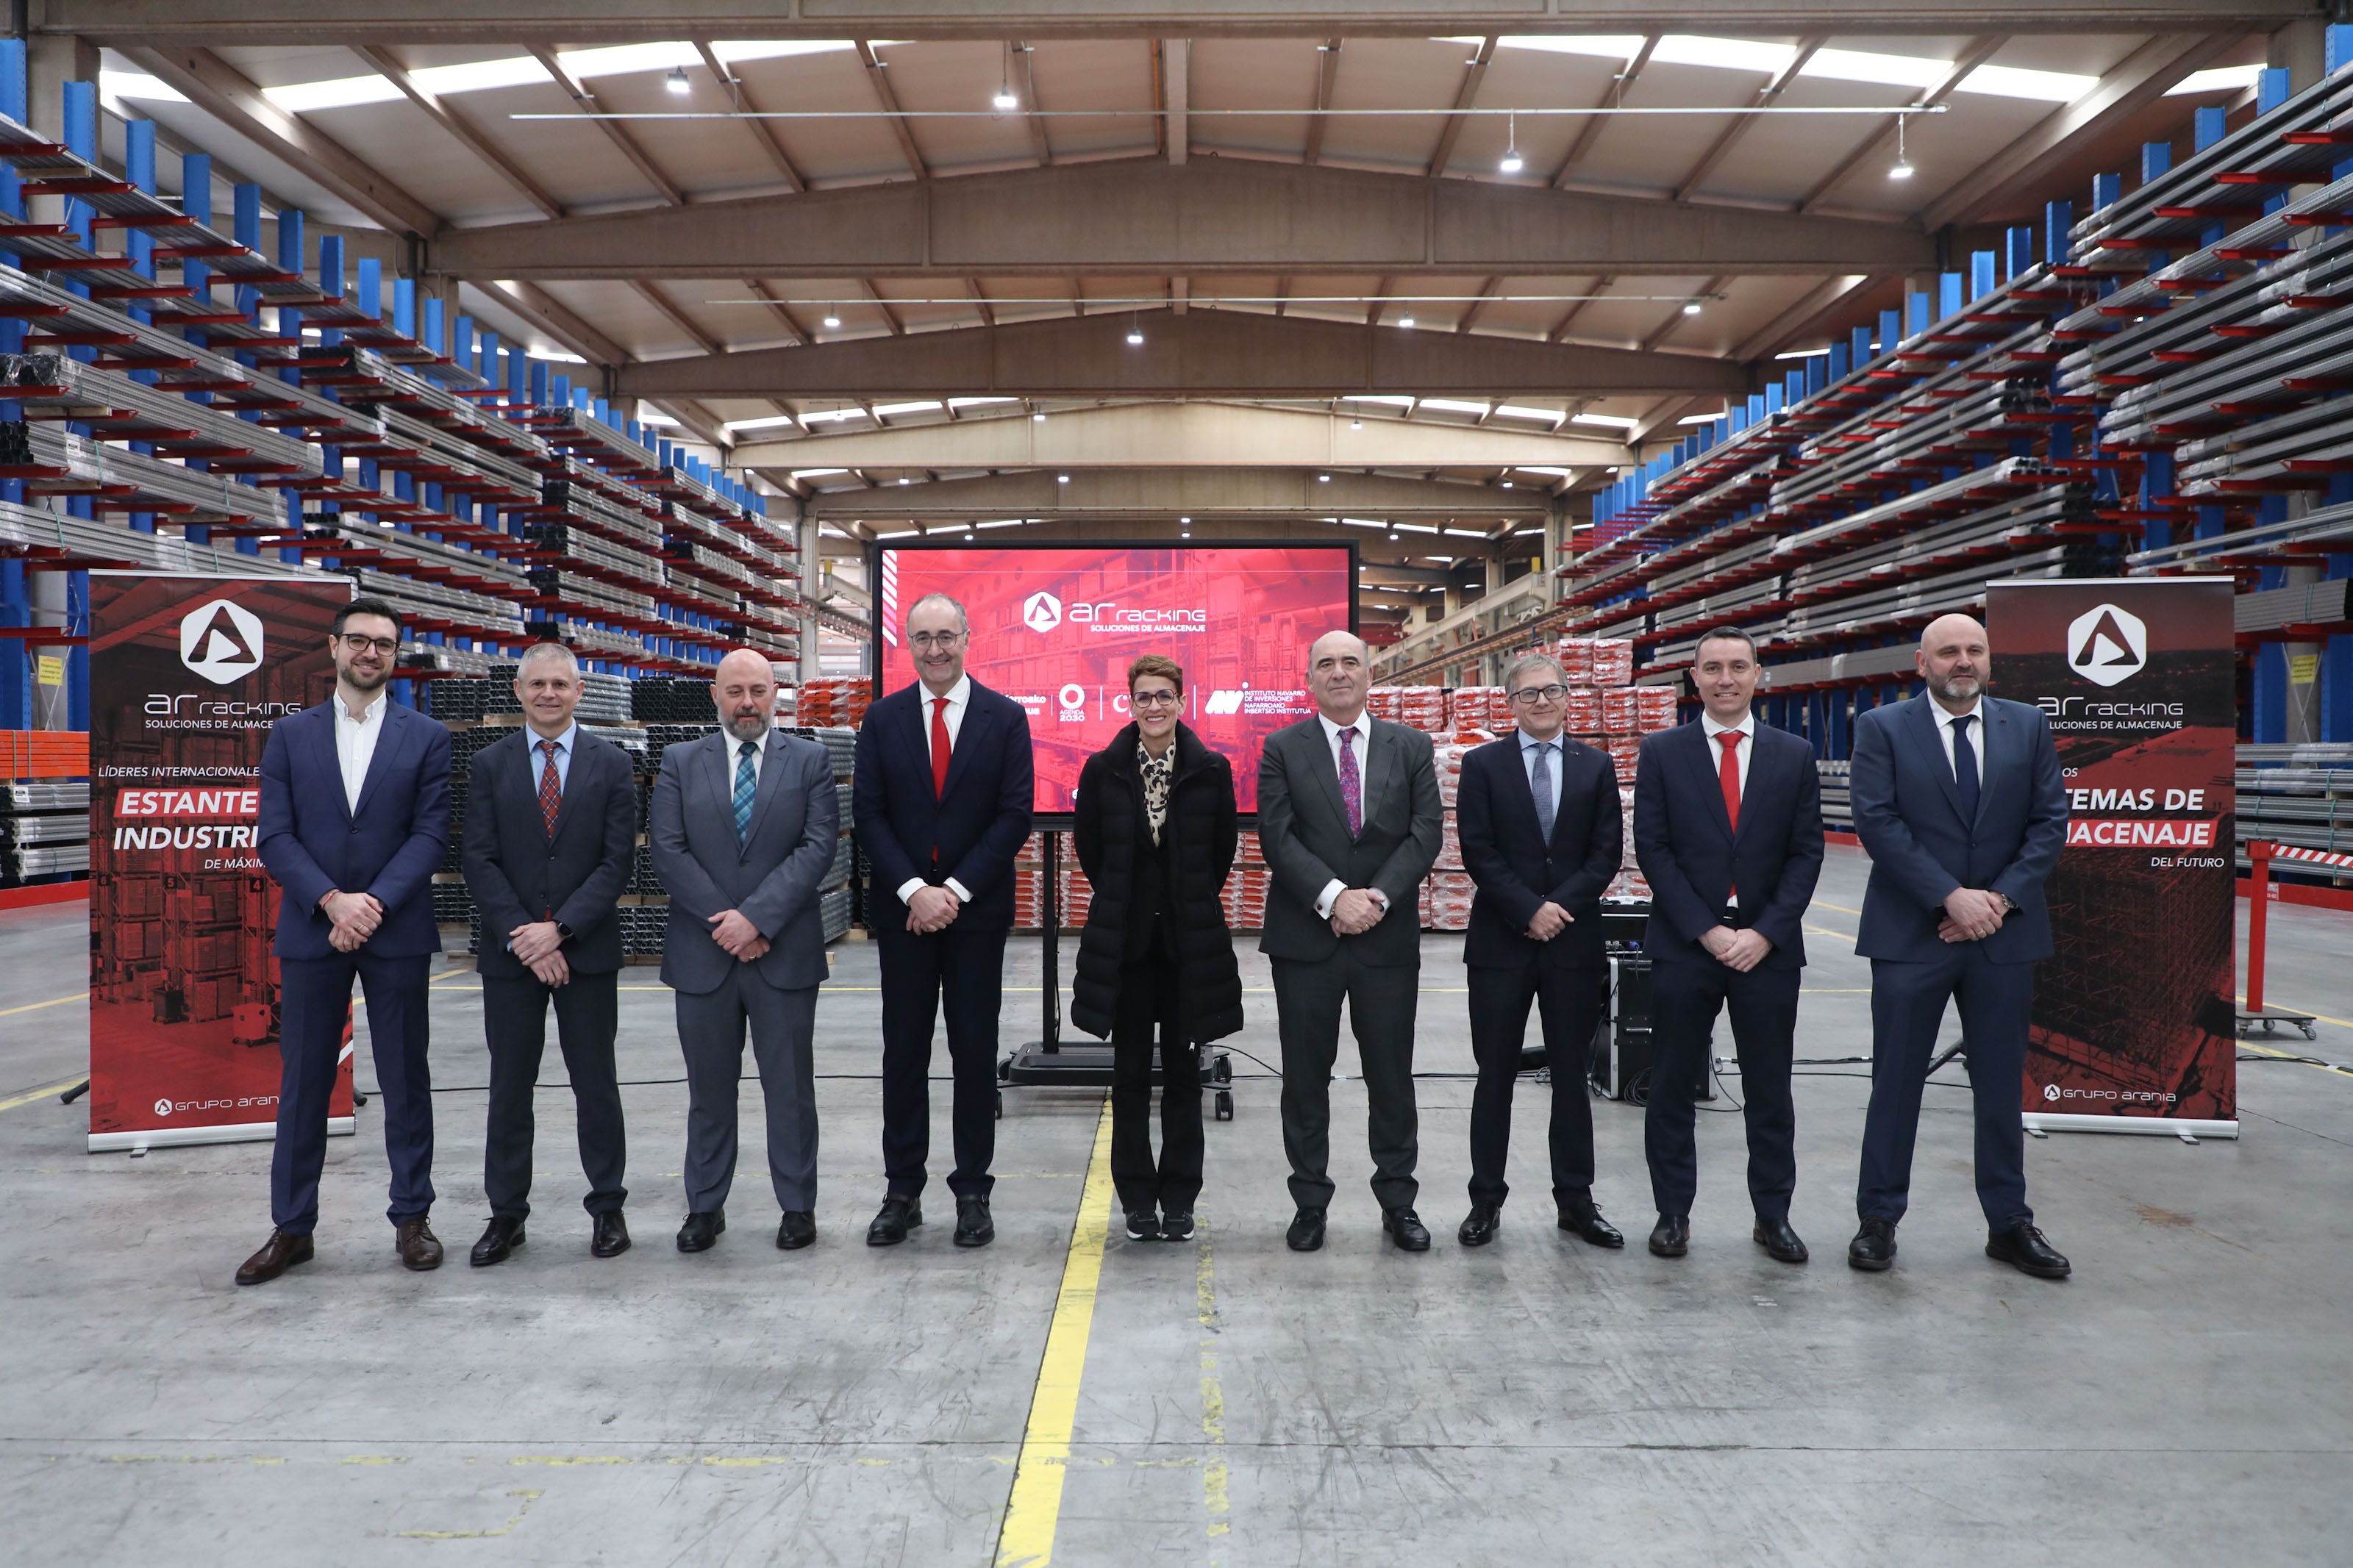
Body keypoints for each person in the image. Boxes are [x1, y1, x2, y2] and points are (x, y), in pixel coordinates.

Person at [1847, 612, 2071, 1280]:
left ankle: (2009, 1222)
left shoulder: (2026, 726)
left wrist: (1996, 901)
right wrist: (1950, 896)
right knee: (1896, 1081)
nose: (1963, 661)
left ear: (1989, 660)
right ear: (1923, 662)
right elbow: (1876, 820)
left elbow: (2049, 819)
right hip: (1913, 932)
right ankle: (1878, 1218)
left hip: (2004, 934)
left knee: (2000, 1084)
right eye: (1949, 651)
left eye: (1975, 649)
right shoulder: (1882, 728)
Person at [238, 597, 451, 1285]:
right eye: (358, 640)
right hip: (313, 926)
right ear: (333, 648)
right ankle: (292, 1227)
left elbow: (430, 834)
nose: (370, 653)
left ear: (396, 655)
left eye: (384, 644)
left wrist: (374, 903)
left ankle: (412, 1217)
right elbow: (274, 835)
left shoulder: (426, 736)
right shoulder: (290, 737)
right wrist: (332, 900)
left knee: (403, 1074)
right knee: (303, 1081)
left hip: (395, 930)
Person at [1632, 629, 1824, 1264]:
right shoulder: (1662, 752)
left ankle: (1773, 1215)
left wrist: (1765, 932)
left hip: (1767, 949)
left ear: (1757, 675)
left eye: (1737, 667)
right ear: (1694, 678)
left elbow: (1805, 853)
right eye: (1712, 668)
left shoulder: (1793, 754)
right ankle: (1672, 1213)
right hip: (1688, 945)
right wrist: (1707, 929)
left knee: (1770, 1088)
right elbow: (1653, 850)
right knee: (1671, 1084)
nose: (1725, 678)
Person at [851, 592, 1035, 1249]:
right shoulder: (882, 719)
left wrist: (951, 889)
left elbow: (1014, 814)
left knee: (973, 1054)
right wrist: (912, 891)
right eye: (923, 637)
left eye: (946, 636)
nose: (935, 648)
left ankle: (972, 1191)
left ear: (968, 637)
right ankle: (902, 1191)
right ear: (909, 643)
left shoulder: (1005, 718)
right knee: (903, 1053)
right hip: (904, 916)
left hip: (975, 914)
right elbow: (868, 813)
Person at [1257, 629, 1443, 1253]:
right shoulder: (1282, 747)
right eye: (1325, 663)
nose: (1338, 672)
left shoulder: (1411, 746)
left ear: (1371, 675)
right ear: (1309, 679)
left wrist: (1376, 899)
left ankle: (1399, 1202)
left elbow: (1425, 833)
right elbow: (1277, 838)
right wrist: (1336, 897)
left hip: (1386, 942)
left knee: (1391, 1076)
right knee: (1304, 1079)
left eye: (1350, 662)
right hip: (1305, 941)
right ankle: (1310, 1204)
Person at [650, 649, 840, 1254]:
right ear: (715, 694)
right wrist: (727, 922)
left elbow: (818, 847)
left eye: (758, 689)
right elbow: (667, 849)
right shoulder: (681, 761)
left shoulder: (808, 759)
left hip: (781, 952)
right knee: (709, 1091)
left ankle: (797, 1206)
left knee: (789, 1088)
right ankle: (705, 1206)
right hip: (704, 955)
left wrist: (757, 918)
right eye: (736, 691)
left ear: (775, 692)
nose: (748, 702)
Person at [460, 642, 640, 1266]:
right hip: (511, 958)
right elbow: (477, 858)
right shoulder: (489, 764)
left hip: (584, 953)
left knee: (597, 1086)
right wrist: (522, 934)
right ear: (518, 691)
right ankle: (507, 1215)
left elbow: (618, 862)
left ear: (579, 690)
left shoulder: (612, 764)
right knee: (510, 1088)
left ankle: (608, 1207)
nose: (548, 694)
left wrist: (559, 930)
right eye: (537, 683)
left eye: (560, 683)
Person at [1454, 651, 1627, 1252]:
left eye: (1552, 691)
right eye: (1529, 694)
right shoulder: (1482, 765)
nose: (1543, 701)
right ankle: (1484, 1201)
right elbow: (1477, 849)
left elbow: (1606, 853)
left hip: (1573, 943)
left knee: (1573, 1078)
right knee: (1494, 1075)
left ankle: (1575, 1200)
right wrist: (1527, 908)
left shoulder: (1596, 765)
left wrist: (1559, 908)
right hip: (1502, 942)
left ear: (1568, 696)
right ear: (1511, 703)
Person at [1070, 655, 1243, 1245]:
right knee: (1130, 1078)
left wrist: (1180, 904)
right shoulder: (1102, 771)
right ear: (1129, 702)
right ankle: (1138, 1200)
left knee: (1185, 1078)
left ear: (1182, 701)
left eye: (1164, 696)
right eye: (1143, 697)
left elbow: (1218, 853)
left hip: (1186, 948)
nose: (1154, 707)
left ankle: (1180, 1198)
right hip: (1127, 950)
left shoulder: (1211, 769)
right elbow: (1092, 852)